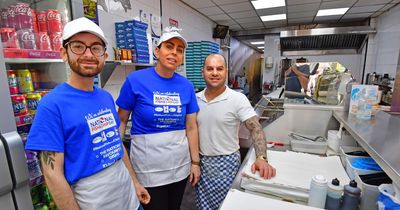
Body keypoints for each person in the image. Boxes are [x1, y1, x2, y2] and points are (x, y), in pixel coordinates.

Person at [25, 17, 150, 210]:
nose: (88, 54)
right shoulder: (51, 105)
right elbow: (52, 174)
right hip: (94, 202)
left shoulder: (105, 97)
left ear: (104, 55)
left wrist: (135, 182)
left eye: (95, 48)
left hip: (128, 198)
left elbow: (117, 145)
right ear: (64, 53)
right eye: (78, 46)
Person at [116, 27, 200, 210]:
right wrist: (120, 157)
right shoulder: (135, 80)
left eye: (179, 49)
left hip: (179, 167)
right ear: (157, 51)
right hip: (148, 170)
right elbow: (121, 121)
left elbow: (191, 127)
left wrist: (195, 163)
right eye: (169, 47)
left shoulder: (186, 86)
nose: (174, 53)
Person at [195, 54, 276, 210]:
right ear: (202, 71)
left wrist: (261, 157)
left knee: (227, 205)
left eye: (219, 69)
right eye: (209, 69)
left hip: (226, 164)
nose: (214, 73)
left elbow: (255, 127)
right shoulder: (195, 99)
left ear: (226, 71)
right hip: (202, 164)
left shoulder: (237, 99)